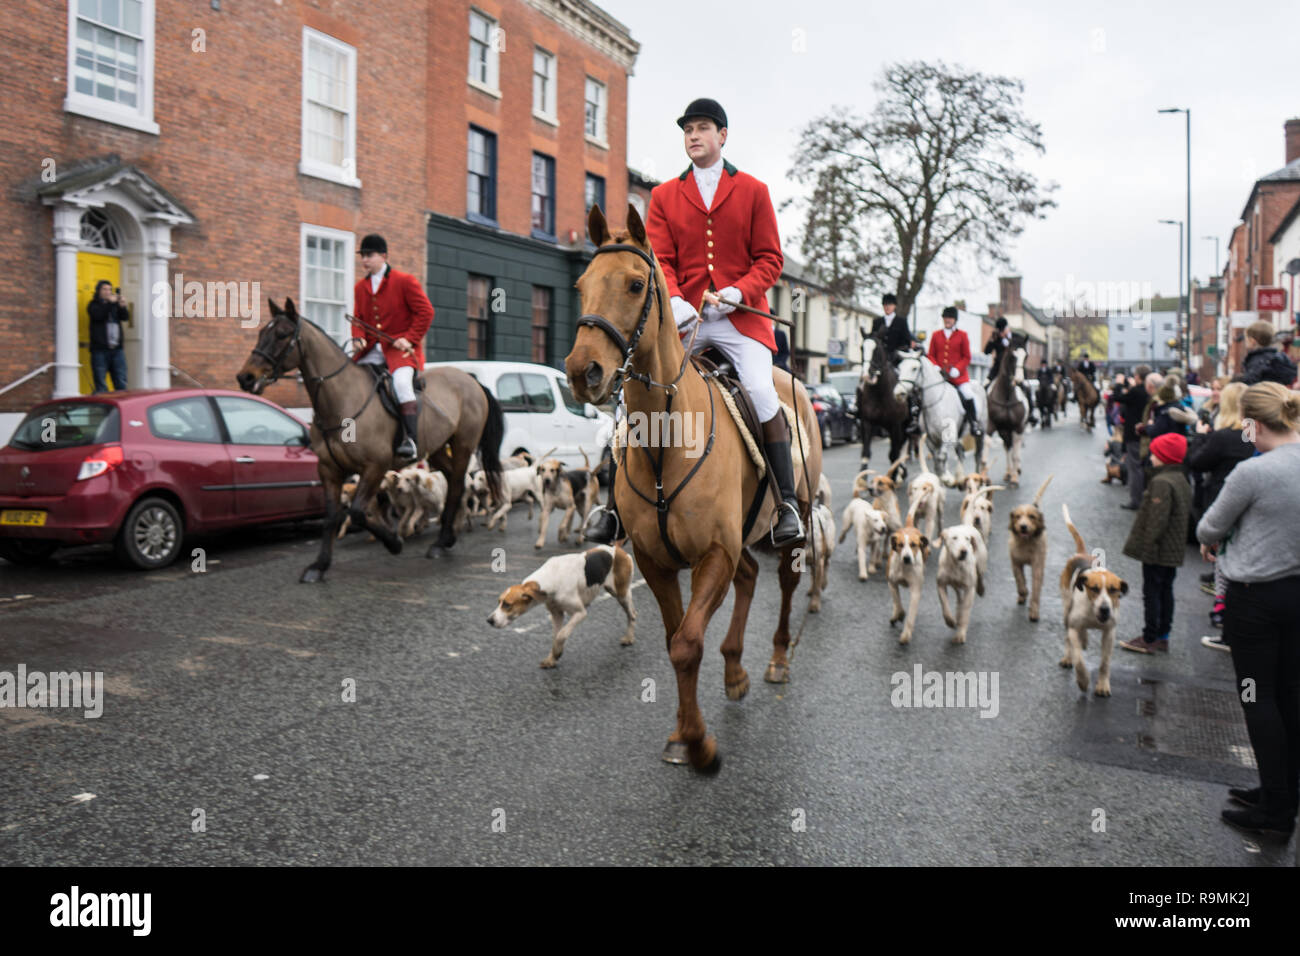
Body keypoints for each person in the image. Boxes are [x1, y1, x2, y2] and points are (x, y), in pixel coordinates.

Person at [588, 96, 800, 546]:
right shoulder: (664, 195)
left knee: (762, 392)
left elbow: (770, 258)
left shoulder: (754, 191)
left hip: (742, 320)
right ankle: (613, 508)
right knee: (633, 397)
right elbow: (660, 258)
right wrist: (680, 301)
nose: (694, 136)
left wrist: (738, 292)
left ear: (722, 136)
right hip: (684, 320)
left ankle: (787, 505)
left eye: (703, 128)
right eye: (688, 130)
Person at [1197, 382, 1300, 837]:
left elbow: (1208, 527)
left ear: (1254, 424)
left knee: (1258, 700)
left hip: (1255, 602)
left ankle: (1275, 816)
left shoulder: (1253, 473)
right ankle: (1280, 792)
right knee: (1290, 698)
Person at [350, 233, 435, 462]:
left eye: (369, 255)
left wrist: (409, 339)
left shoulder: (404, 281)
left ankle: (411, 440)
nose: (365, 260)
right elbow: (358, 320)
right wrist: (358, 338)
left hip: (401, 351)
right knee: (350, 380)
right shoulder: (360, 287)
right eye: (363, 256)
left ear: (383, 256)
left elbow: (426, 312)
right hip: (371, 351)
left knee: (401, 385)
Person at [1185, 382, 1252, 643]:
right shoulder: (1252, 436)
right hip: (1250, 509)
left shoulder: (1223, 436)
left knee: (1224, 563)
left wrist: (1201, 435)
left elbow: (1196, 462)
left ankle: (1226, 623)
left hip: (1222, 504)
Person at [1119, 432, 1191, 655]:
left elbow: (1157, 520)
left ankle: (1149, 637)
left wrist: (1148, 548)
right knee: (1166, 591)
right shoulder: (1180, 478)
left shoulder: (1161, 482)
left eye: (1154, 453)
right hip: (1172, 550)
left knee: (1151, 592)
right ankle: (1162, 635)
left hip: (1158, 550)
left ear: (1164, 457)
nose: (1150, 457)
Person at [872, 293, 924, 435]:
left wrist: (913, 344)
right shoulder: (877, 322)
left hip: (897, 359)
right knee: (866, 377)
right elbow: (873, 341)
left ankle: (913, 409)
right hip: (880, 362)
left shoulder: (901, 321)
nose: (887, 307)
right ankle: (857, 408)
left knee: (907, 380)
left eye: (889, 305)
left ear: (894, 306)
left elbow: (907, 338)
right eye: (885, 305)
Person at [927, 306, 981, 437]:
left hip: (958, 377)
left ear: (955, 320)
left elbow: (967, 357)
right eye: (945, 318)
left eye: (950, 318)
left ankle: (973, 423)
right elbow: (930, 355)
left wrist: (957, 369)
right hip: (939, 377)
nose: (947, 320)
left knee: (968, 394)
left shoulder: (962, 335)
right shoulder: (936, 335)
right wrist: (935, 366)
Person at [1116, 366, 1154, 510]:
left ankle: (1135, 500)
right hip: (1143, 434)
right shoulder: (1144, 391)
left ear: (1138, 377)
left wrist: (1119, 384)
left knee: (1135, 468)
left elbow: (1118, 397)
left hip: (1134, 434)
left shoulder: (1137, 391)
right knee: (1140, 466)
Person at [87, 280, 129, 392]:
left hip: (117, 350)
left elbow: (125, 317)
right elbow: (98, 316)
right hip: (100, 351)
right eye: (104, 289)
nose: (108, 292)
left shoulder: (114, 305)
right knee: (101, 384)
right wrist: (110, 303)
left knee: (121, 381)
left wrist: (122, 306)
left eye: (110, 289)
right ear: (98, 291)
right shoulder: (93, 305)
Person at [1235, 320, 1297, 387]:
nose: (1245, 342)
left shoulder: (1257, 359)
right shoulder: (1280, 357)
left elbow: (1250, 383)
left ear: (1252, 341)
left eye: (1246, 339)